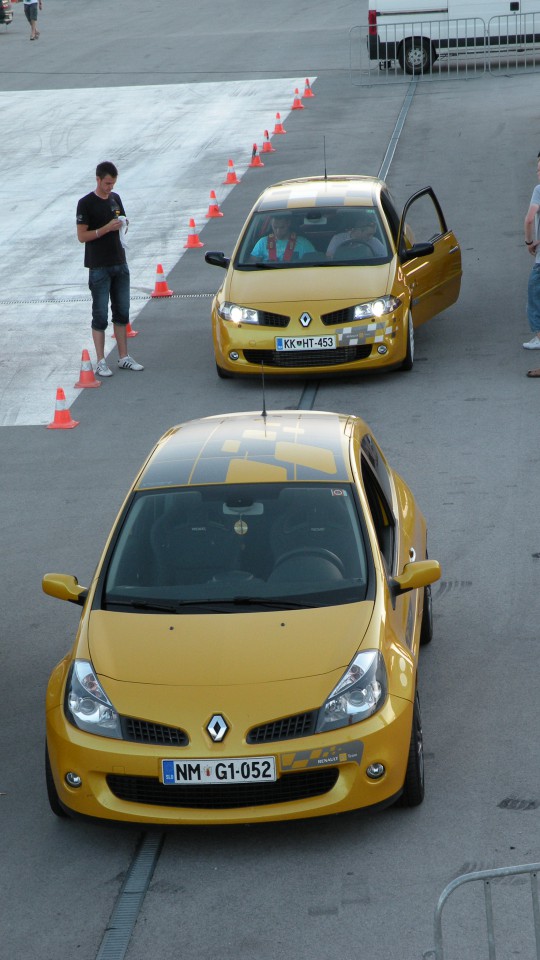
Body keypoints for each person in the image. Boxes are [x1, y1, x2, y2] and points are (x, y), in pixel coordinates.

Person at [76, 161, 143, 376]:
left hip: (119, 262)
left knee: (122, 312)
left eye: (112, 184)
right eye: (106, 183)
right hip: (98, 266)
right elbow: (81, 236)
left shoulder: (116, 199)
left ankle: (123, 357)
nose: (110, 188)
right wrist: (105, 229)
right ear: (98, 179)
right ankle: (101, 360)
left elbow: (121, 221)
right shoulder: (85, 203)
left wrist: (124, 224)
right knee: (100, 314)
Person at [250, 213, 316, 262]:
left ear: (288, 224)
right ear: (271, 224)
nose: (278, 231)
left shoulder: (303, 243)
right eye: (275, 227)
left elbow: (314, 262)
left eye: (282, 227)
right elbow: (252, 264)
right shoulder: (262, 243)